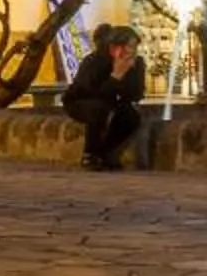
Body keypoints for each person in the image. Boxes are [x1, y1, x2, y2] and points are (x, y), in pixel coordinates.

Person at [61, 24, 147, 171]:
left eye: (135, 47)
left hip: (109, 101)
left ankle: (104, 154)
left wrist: (129, 77)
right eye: (129, 47)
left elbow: (136, 95)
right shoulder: (95, 61)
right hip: (80, 101)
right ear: (115, 48)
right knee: (99, 108)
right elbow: (94, 93)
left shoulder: (137, 63)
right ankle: (90, 154)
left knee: (131, 117)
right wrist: (116, 76)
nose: (133, 52)